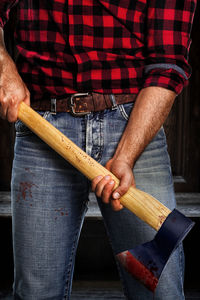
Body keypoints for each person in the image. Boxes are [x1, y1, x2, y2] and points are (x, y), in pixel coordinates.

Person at [0, 0, 196, 299]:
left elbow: (167, 62)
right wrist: (3, 66)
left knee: (161, 293)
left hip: (132, 121)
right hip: (42, 124)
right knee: (35, 294)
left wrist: (127, 155)